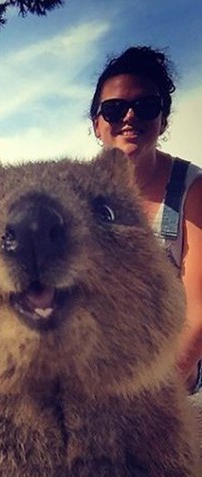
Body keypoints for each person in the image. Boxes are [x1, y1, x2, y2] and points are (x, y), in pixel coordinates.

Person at [90, 46, 202, 393]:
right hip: (92, 367)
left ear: (163, 120)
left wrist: (146, 402)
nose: (129, 117)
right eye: (114, 109)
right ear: (97, 125)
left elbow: (197, 317)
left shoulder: (192, 190)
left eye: (146, 107)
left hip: (168, 380)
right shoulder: (78, 192)